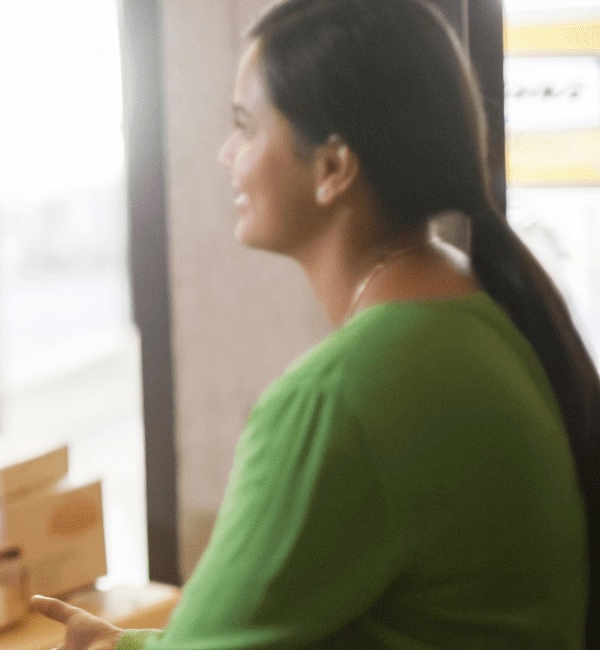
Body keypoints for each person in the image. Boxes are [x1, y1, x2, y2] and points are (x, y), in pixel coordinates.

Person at [35, 0, 598, 647]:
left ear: (332, 168)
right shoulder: (478, 319)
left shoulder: (340, 399)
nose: (227, 155)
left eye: (245, 127)